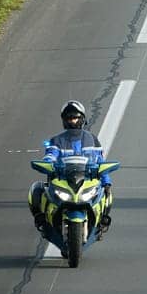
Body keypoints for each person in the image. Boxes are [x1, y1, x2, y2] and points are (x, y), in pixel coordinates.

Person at [29, 100, 112, 234]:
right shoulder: (56, 140)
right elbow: (50, 155)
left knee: (107, 192)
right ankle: (42, 221)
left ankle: (102, 222)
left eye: (75, 118)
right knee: (37, 189)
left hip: (86, 180)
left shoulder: (93, 140)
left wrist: (107, 181)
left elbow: (100, 161)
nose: (72, 121)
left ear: (82, 119)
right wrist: (48, 164)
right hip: (63, 180)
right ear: (64, 120)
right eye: (69, 118)